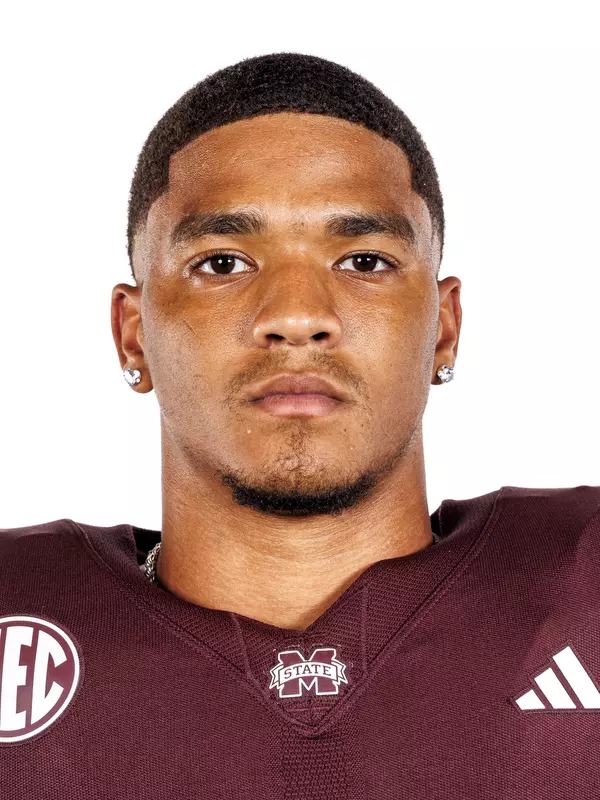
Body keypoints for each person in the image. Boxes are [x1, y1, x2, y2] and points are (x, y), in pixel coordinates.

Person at [1, 52, 599, 799]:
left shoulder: (585, 576)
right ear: (133, 335)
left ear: (444, 329)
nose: (296, 316)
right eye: (222, 262)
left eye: (363, 260)